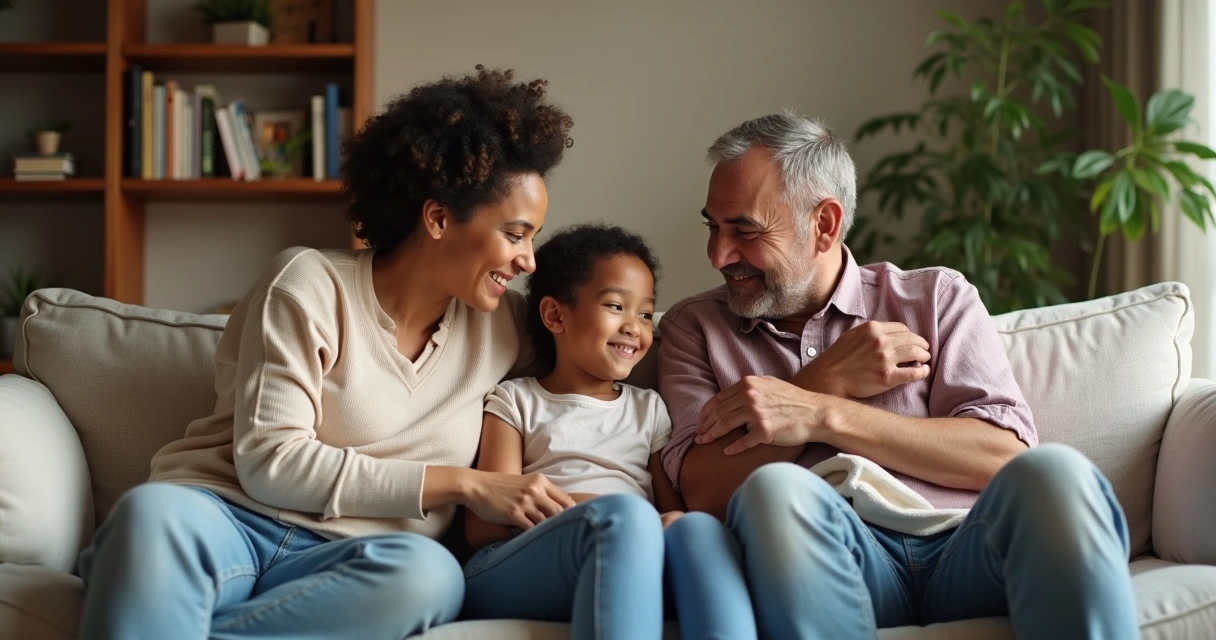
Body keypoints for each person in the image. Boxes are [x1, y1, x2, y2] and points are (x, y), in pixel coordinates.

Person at [75, 67, 579, 640]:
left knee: (430, 577)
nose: (528, 261)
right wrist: (465, 484)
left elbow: (592, 364)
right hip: (226, 518)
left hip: (354, 560)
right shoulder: (307, 283)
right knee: (151, 516)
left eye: (533, 238)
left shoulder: (505, 326)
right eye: (515, 234)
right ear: (438, 218)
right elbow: (272, 462)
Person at [658, 112, 1139, 639]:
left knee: (1057, 472)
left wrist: (822, 413)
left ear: (824, 225)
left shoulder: (934, 298)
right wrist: (825, 378)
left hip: (966, 550)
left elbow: (1001, 456)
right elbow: (704, 494)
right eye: (713, 227)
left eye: (744, 230)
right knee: (774, 490)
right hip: (833, 556)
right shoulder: (695, 328)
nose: (718, 255)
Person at [463, 224, 757, 640]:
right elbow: (483, 527)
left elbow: (668, 509)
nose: (635, 327)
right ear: (555, 315)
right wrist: (599, 511)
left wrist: (672, 522)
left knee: (700, 530)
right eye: (616, 306)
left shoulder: (649, 408)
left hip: (630, 550)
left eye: (645, 313)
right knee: (628, 516)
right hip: (514, 562)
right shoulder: (515, 401)